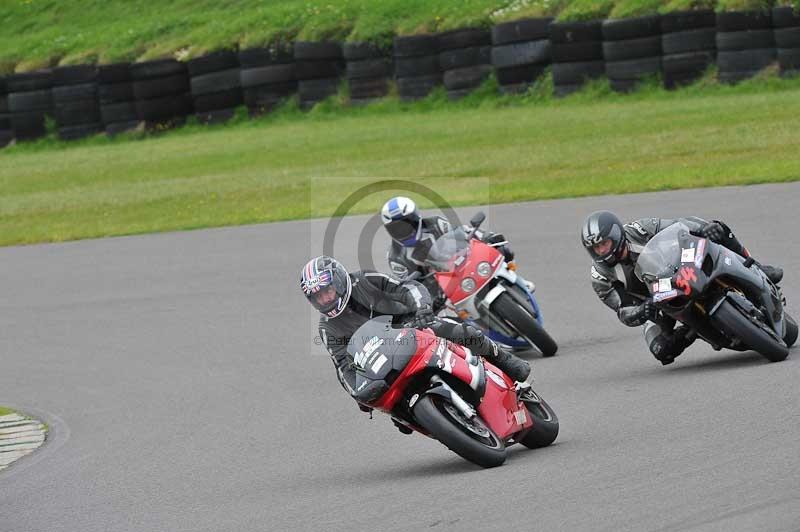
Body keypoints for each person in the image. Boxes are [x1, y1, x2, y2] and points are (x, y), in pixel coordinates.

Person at [301, 256, 531, 406]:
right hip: (383, 357)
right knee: (388, 404)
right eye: (318, 297)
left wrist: (421, 308)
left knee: (460, 332)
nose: (325, 299)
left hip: (412, 325)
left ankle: (504, 359)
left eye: (327, 291)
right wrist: (358, 394)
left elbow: (406, 288)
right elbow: (343, 367)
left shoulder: (365, 279)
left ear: (339, 282)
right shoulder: (327, 327)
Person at [581, 211, 783, 365]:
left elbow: (681, 225)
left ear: (616, 235)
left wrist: (705, 229)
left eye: (604, 244)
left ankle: (755, 266)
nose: (601, 251)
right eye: (596, 248)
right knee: (662, 351)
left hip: (681, 270)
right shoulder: (600, 276)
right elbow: (622, 311)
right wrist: (641, 312)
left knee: (718, 228)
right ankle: (693, 329)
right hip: (656, 303)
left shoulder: (639, 229)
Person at [380, 196, 518, 312]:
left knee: (503, 250)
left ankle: (516, 280)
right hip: (443, 289)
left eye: (407, 224)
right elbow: (409, 287)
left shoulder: (436, 223)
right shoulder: (395, 258)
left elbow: (463, 232)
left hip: (464, 264)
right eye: (396, 228)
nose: (403, 230)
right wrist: (428, 299)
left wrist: (485, 236)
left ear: (417, 218)